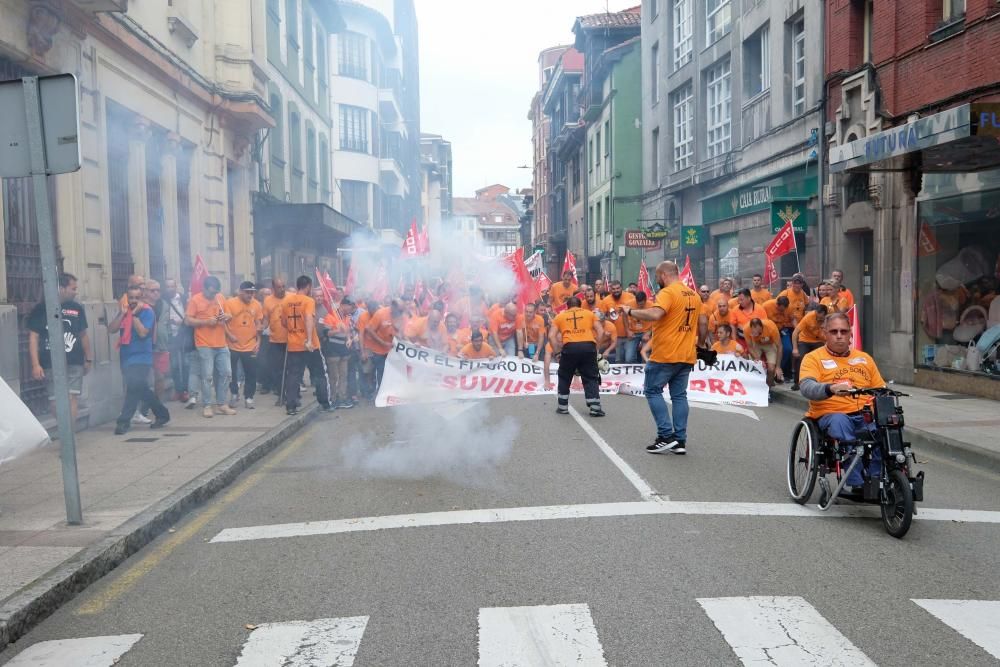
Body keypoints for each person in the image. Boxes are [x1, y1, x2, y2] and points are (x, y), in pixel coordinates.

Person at [798, 312, 886, 491]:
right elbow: (806, 387)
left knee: (886, 429)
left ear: (850, 334)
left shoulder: (865, 359)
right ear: (825, 333)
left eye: (844, 331)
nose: (839, 336)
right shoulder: (813, 358)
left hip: (864, 413)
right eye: (834, 331)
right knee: (841, 422)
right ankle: (855, 482)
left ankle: (878, 479)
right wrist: (829, 388)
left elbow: (881, 389)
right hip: (831, 413)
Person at [623, 261, 702, 455]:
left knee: (652, 390)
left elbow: (656, 313)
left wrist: (630, 311)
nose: (657, 280)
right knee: (679, 396)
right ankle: (680, 440)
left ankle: (666, 436)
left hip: (666, 354)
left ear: (664, 275)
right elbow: (704, 321)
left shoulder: (667, 292)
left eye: (657, 276)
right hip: (686, 354)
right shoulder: (694, 295)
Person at [27, 272, 92, 425]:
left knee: (71, 397)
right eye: (73, 288)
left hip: (74, 360)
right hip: (49, 361)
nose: (76, 292)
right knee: (55, 402)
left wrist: (88, 358)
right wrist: (35, 364)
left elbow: (83, 334)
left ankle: (69, 435)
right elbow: (33, 337)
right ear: (61, 288)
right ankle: (66, 430)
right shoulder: (41, 309)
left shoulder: (77, 308)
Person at [111, 285, 169, 435]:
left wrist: (134, 316)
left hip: (142, 357)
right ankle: (162, 414)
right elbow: (111, 329)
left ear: (142, 298)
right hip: (126, 356)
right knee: (140, 388)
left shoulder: (147, 312)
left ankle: (123, 422)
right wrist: (122, 314)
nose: (134, 301)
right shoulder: (124, 311)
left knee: (133, 387)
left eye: (137, 298)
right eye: (131, 298)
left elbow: (143, 333)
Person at [281, 275, 332, 415]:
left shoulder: (286, 301)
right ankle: (325, 403)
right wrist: (309, 339)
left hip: (293, 344)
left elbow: (284, 322)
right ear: (308, 286)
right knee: (320, 374)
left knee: (293, 376)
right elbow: (309, 318)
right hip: (311, 345)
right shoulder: (309, 301)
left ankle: (290, 406)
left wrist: (294, 331)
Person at [185, 276, 235, 418]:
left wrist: (227, 316)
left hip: (221, 343)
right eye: (211, 292)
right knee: (207, 376)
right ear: (204, 288)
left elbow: (229, 314)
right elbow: (188, 320)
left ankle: (221, 404)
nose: (213, 295)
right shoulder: (195, 299)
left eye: (215, 292)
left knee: (226, 373)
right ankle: (207, 405)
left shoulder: (220, 298)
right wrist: (206, 322)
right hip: (204, 343)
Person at [550, 296, 605, 417]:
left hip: (570, 347)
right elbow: (601, 332)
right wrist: (596, 349)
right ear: (580, 305)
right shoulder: (589, 314)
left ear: (567, 306)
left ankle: (562, 407)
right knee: (590, 375)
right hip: (588, 346)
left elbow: (551, 336)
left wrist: (557, 353)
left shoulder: (560, 316)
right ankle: (595, 407)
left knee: (565, 375)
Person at [225, 281, 263, 409]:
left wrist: (258, 342)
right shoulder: (230, 303)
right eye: (247, 292)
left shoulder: (257, 304)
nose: (250, 295)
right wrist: (230, 335)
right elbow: (223, 322)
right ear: (240, 291)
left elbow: (259, 325)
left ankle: (249, 397)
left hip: (250, 344)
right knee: (232, 372)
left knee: (251, 372)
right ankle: (234, 393)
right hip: (232, 344)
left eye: (252, 292)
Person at [322, 298, 356, 409]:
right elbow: (326, 333)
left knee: (343, 375)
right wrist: (338, 329)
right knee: (333, 377)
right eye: (349, 308)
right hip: (333, 350)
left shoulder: (347, 317)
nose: (350, 311)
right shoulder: (330, 316)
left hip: (344, 350)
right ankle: (333, 399)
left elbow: (349, 332)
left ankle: (342, 398)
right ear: (343, 305)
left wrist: (349, 338)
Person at [160, 279, 189, 401]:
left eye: (172, 286)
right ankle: (178, 390)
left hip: (184, 334)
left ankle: (186, 390)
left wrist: (182, 321)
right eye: (167, 286)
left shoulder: (184, 299)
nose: (170, 289)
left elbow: (190, 314)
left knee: (186, 363)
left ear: (176, 286)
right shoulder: (163, 300)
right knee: (175, 364)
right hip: (171, 335)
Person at [263, 278, 289, 406]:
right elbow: (266, 320)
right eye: (279, 287)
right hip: (275, 340)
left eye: (283, 286)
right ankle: (281, 394)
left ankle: (292, 394)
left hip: (291, 340)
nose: (282, 289)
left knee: (290, 369)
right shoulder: (268, 301)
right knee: (278, 370)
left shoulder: (291, 297)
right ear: (273, 288)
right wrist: (260, 327)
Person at [791, 304, 829, 390]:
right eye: (817, 317)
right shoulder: (809, 317)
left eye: (821, 318)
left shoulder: (829, 319)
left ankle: (822, 381)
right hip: (805, 340)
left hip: (819, 341)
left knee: (823, 358)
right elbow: (795, 332)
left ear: (825, 315)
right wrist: (795, 348)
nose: (818, 320)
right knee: (800, 357)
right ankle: (797, 382)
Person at [600, 280, 637, 363]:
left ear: (621, 288)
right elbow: (601, 318)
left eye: (618, 288)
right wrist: (609, 319)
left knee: (629, 359)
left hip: (630, 334)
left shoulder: (630, 297)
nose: (616, 290)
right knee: (619, 361)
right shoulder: (606, 300)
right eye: (613, 289)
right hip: (616, 336)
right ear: (610, 289)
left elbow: (637, 312)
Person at [743, 317, 784, 387]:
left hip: (770, 344)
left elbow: (780, 346)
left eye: (758, 332)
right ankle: (755, 386)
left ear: (762, 327)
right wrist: (758, 359)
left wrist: (778, 367)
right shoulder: (746, 329)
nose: (756, 334)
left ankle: (768, 387)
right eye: (753, 332)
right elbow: (750, 347)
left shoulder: (771, 327)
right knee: (754, 365)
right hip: (756, 344)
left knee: (771, 368)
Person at [764, 295, 794, 381]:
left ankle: (779, 369)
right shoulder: (766, 305)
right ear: (776, 304)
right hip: (769, 331)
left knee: (788, 349)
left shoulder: (790, 308)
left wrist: (797, 330)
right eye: (779, 309)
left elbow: (793, 320)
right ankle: (769, 372)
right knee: (771, 349)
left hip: (782, 330)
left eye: (783, 310)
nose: (781, 311)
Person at [625, 291, 652, 363]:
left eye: (642, 305)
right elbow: (624, 315)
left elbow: (656, 321)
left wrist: (649, 333)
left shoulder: (652, 305)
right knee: (629, 359)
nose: (640, 306)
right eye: (638, 304)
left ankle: (645, 372)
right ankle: (635, 373)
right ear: (635, 300)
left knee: (645, 356)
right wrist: (627, 330)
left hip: (646, 332)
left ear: (646, 300)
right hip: (633, 333)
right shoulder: (629, 304)